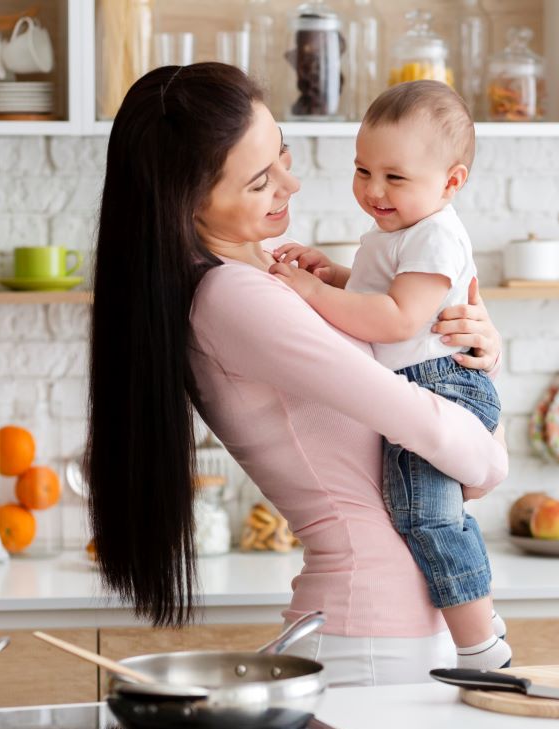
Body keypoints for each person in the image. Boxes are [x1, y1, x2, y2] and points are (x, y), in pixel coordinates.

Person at [87, 63, 508, 686]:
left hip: (397, 620)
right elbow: (453, 446)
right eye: (261, 181)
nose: (293, 182)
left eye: (281, 151)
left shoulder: (270, 277)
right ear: (188, 199)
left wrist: (482, 348)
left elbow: (438, 420)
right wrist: (488, 439)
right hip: (374, 629)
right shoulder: (235, 299)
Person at [267, 81, 509, 670]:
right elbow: (383, 291)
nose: (373, 190)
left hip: (439, 383)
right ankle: (481, 620)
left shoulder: (435, 234)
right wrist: (340, 274)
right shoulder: (401, 230)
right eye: (362, 170)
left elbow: (399, 319)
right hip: (426, 383)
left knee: (428, 518)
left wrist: (313, 290)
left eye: (394, 178)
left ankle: (482, 647)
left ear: (451, 182)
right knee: (424, 514)